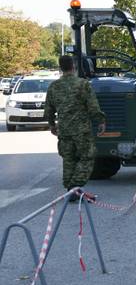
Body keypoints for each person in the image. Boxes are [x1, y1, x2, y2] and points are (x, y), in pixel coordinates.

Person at [45, 55, 106, 200]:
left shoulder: (54, 86)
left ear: (60, 68)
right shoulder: (82, 84)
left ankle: (71, 190)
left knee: (69, 159)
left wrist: (52, 125)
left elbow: (48, 110)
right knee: (87, 157)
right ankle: (75, 187)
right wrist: (101, 121)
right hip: (81, 130)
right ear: (74, 66)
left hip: (64, 130)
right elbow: (93, 107)